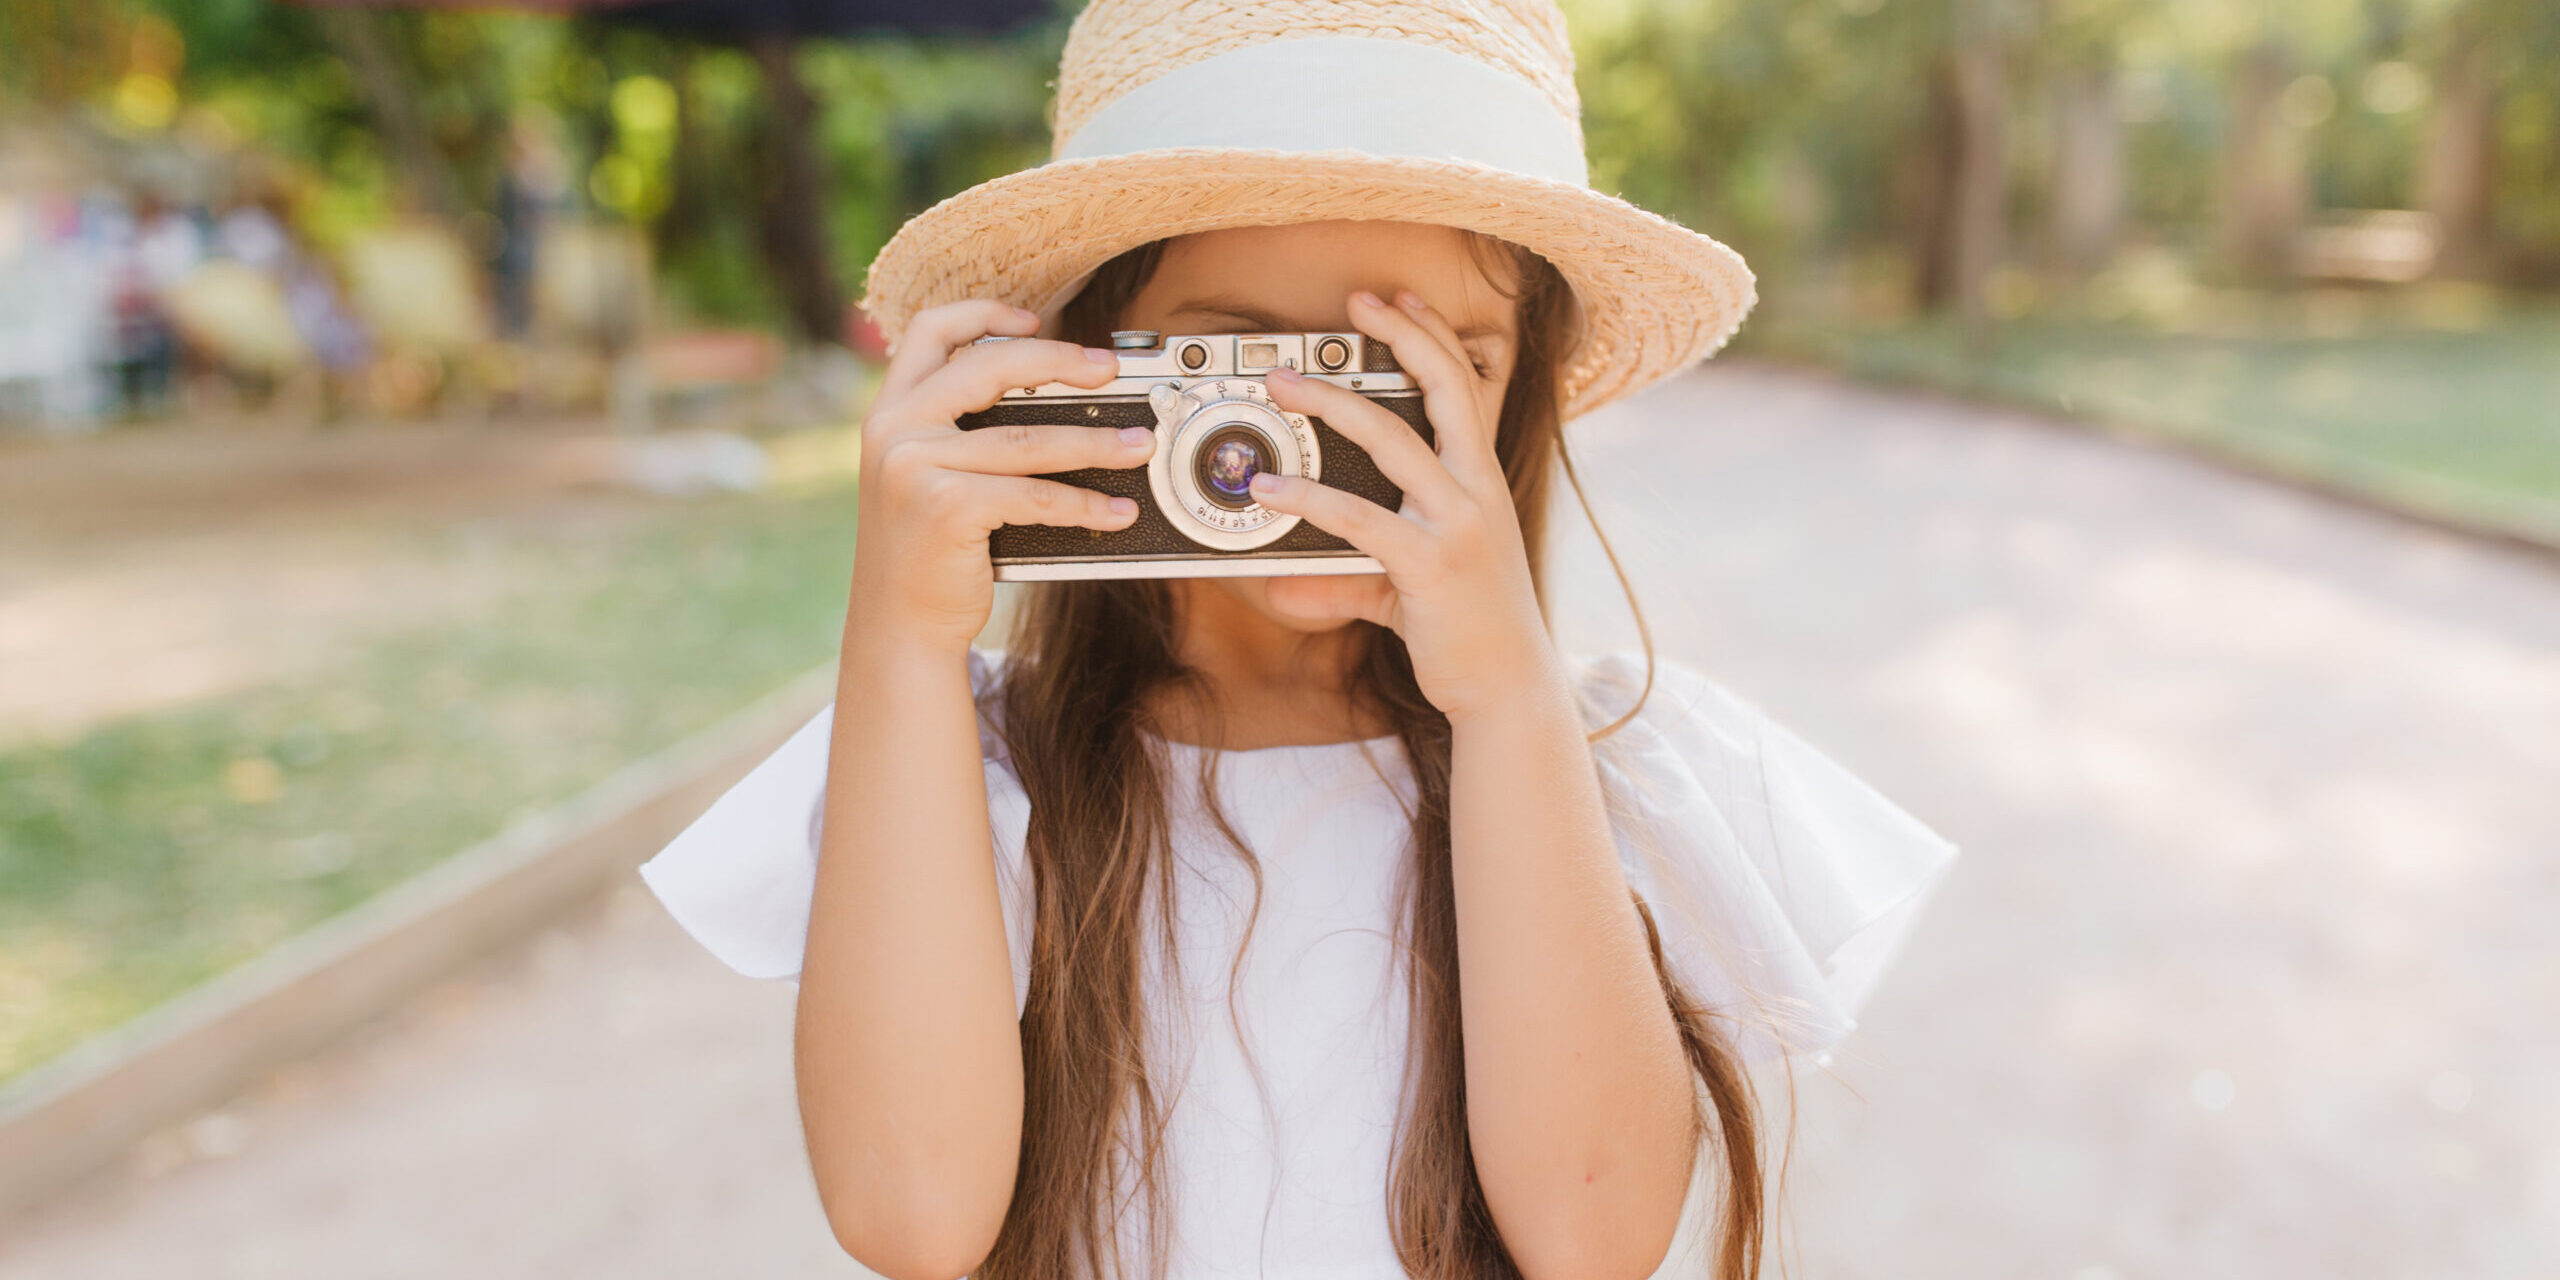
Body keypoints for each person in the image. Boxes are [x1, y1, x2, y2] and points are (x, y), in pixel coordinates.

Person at [639, 3, 1957, 1278]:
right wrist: (902, 643)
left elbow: (1593, 1239)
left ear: (1522, 390)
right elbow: (911, 1217)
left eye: (1415, 365)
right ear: (1085, 361)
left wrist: (1507, 704)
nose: (1320, 437)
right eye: (1237, 360)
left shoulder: (1608, 767)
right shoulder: (961, 766)